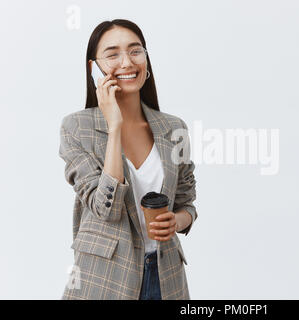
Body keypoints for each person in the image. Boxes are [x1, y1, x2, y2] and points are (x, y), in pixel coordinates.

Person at [58, 19, 198, 300]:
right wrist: (114, 127)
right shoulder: (76, 128)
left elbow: (187, 204)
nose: (127, 62)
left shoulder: (174, 128)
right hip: (104, 278)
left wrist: (177, 221)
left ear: (146, 59)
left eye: (136, 51)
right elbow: (105, 209)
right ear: (93, 68)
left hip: (166, 276)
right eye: (112, 54)